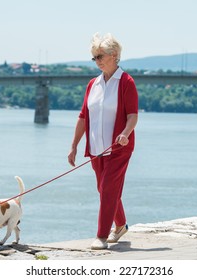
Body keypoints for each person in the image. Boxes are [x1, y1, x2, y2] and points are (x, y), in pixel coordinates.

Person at [68, 33, 138, 250]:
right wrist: (74, 146)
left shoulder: (126, 82)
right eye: (94, 57)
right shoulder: (93, 84)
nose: (97, 60)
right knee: (105, 188)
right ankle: (121, 225)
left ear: (114, 55)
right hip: (97, 149)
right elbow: (82, 116)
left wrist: (126, 132)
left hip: (119, 148)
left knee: (108, 189)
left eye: (100, 56)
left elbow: (132, 115)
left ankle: (101, 236)